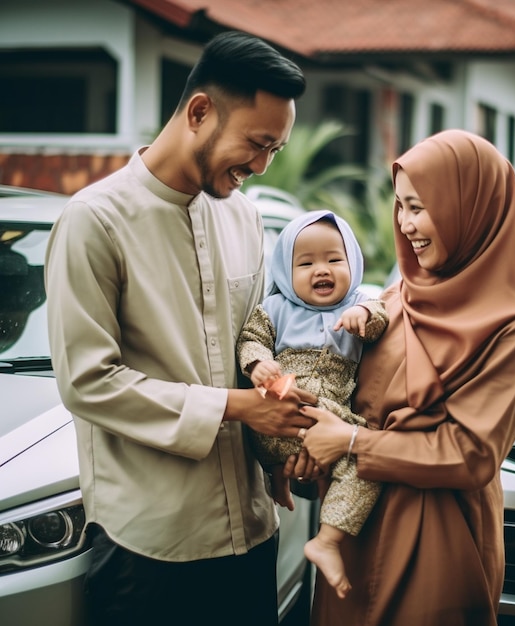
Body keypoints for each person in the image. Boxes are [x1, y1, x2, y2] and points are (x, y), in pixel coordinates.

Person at [44, 31, 318, 626]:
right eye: (257, 143)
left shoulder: (246, 216)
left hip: (252, 532)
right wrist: (237, 408)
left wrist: (277, 422)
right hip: (150, 547)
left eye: (276, 148)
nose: (263, 165)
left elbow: (255, 337)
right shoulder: (94, 221)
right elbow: (89, 383)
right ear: (199, 112)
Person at [293, 130, 515, 625]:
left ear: (468, 207)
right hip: (352, 529)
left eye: (419, 207)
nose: (405, 224)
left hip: (435, 540)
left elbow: (468, 453)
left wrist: (349, 443)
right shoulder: (397, 297)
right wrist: (312, 453)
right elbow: (351, 394)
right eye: (399, 206)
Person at [237, 210, 388, 599]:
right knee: (362, 443)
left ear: (352, 262)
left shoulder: (357, 302)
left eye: (334, 260)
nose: (321, 270)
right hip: (281, 407)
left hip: (321, 424)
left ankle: (328, 538)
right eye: (305, 263)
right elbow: (250, 339)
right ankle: (278, 474)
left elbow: (382, 316)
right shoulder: (274, 309)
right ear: (286, 273)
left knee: (365, 466)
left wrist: (364, 313)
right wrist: (257, 363)